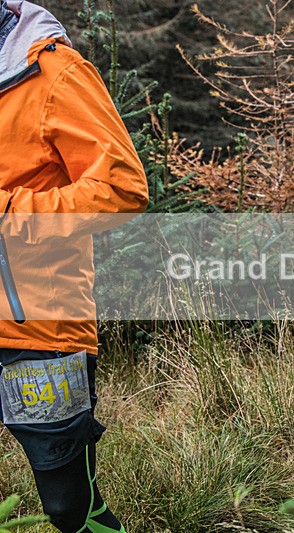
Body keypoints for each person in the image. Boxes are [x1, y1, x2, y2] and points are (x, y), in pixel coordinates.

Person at [0, 1, 148, 532]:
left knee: (68, 507)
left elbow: (123, 189)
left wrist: (9, 214)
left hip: (41, 323)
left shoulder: (56, 72)